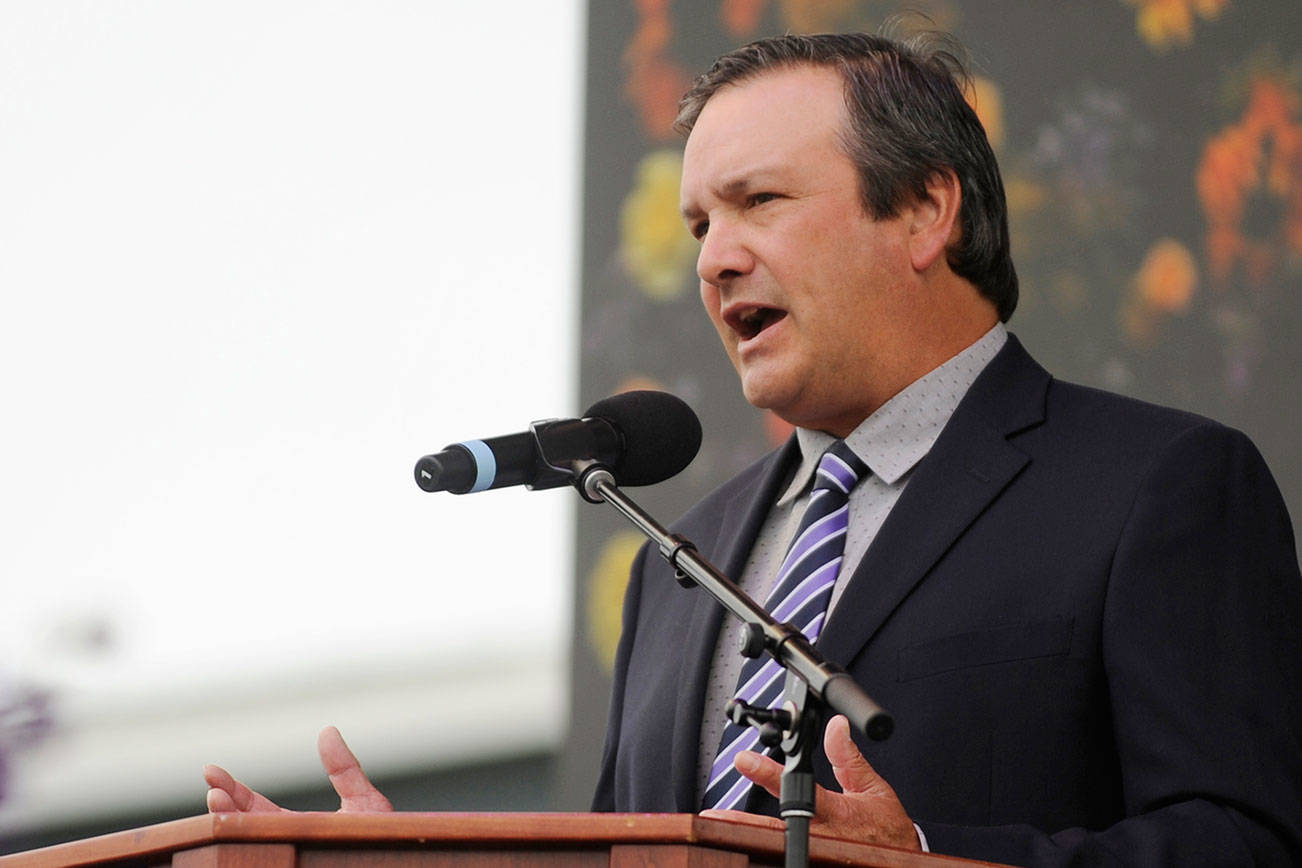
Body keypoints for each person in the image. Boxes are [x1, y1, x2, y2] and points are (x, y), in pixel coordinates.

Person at [204, 30, 1302, 866]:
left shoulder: (1157, 487)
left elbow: (1243, 842)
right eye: (696, 227)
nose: (715, 260)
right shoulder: (685, 559)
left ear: (924, 212)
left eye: (759, 203)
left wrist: (930, 859)